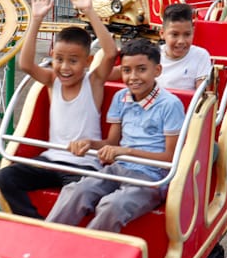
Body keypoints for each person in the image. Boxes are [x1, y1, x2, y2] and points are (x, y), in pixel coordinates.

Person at [0, 0, 118, 219]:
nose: (65, 67)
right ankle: (36, 223)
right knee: (5, 177)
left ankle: (56, 227)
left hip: (83, 166)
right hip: (52, 161)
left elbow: (111, 53)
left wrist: (90, 12)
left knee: (81, 189)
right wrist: (37, 19)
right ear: (52, 57)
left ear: (87, 61)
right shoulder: (53, 80)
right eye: (59, 59)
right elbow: (26, 64)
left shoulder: (93, 82)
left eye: (73, 61)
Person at [44, 39, 186, 232]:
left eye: (141, 69)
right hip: (118, 169)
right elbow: (111, 142)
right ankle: (48, 239)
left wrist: (126, 151)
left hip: (150, 179)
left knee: (112, 205)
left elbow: (170, 157)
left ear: (157, 71)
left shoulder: (170, 105)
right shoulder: (121, 98)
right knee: (76, 191)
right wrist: (89, 143)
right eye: (127, 70)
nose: (133, 77)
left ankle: (88, 252)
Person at [157, 4, 213, 90]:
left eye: (187, 34)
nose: (181, 41)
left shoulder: (200, 55)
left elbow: (202, 96)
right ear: (162, 34)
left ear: (193, 32)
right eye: (174, 35)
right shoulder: (153, 55)